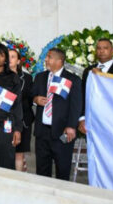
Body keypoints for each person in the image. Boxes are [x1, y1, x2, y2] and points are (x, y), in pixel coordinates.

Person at [32, 47, 82, 181]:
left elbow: (76, 106)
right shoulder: (40, 77)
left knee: (62, 170)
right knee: (42, 172)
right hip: (42, 132)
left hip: (62, 132)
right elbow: (32, 95)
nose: (46, 60)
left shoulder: (73, 80)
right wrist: (36, 99)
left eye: (49, 57)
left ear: (59, 61)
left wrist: (71, 126)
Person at [78, 38, 113, 135]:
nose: (101, 51)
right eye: (99, 48)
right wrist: (82, 118)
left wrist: (101, 76)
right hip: (93, 118)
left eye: (105, 48)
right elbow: (83, 94)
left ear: (112, 51)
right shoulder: (89, 70)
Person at [8, 47, 34, 172]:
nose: (9, 59)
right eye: (7, 56)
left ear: (18, 61)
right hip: (5, 120)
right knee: (6, 152)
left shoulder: (27, 78)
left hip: (22, 120)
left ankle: (18, 178)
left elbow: (30, 99)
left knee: (19, 153)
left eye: (13, 57)